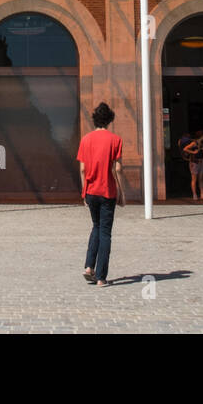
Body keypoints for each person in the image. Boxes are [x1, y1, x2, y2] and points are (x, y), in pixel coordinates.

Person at [77, 101, 126, 287]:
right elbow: (118, 169)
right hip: (107, 191)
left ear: (95, 120)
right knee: (105, 232)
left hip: (90, 190)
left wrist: (84, 192)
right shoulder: (115, 140)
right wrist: (122, 192)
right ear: (109, 120)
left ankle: (89, 266)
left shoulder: (85, 139)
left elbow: (82, 169)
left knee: (96, 226)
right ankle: (101, 277)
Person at [180, 128, 203, 199]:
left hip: (201, 161)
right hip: (194, 162)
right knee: (194, 178)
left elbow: (202, 153)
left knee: (200, 178)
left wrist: (202, 151)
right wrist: (193, 152)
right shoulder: (194, 143)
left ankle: (202, 194)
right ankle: (194, 194)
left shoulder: (201, 144)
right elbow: (185, 149)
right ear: (201, 136)